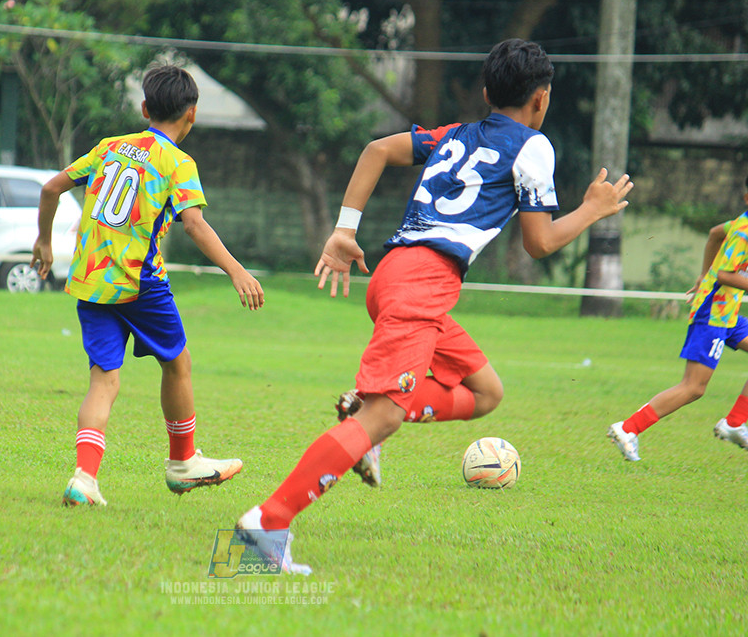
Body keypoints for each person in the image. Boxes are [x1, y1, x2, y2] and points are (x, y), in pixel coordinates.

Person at [234, 38, 633, 574]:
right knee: (382, 420)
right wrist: (591, 209)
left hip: (399, 277)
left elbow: (377, 149)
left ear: (488, 92)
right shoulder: (534, 146)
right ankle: (270, 521)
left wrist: (344, 231)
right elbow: (538, 243)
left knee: (486, 392)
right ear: (541, 100)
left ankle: (366, 407)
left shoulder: (458, 134)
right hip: (421, 285)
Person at [31, 64, 265, 506]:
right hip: (140, 282)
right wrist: (237, 270)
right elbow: (194, 224)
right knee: (177, 362)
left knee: (104, 379)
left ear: (144, 108)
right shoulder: (177, 162)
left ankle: (84, 479)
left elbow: (50, 188)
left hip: (93, 279)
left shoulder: (110, 147)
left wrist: (44, 242)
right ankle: (182, 463)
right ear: (191, 116)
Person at [608, 176, 748, 461]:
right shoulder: (746, 231)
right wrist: (711, 275)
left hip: (727, 312)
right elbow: (725, 274)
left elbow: (713, 234)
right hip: (714, 313)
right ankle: (627, 428)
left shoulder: (739, 222)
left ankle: (735, 422)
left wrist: (703, 274)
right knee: (694, 387)